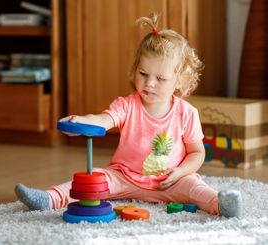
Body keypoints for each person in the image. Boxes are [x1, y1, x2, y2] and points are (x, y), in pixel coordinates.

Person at [15, 13, 242, 218]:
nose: (149, 83)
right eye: (143, 73)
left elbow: (197, 153)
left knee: (196, 187)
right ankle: (49, 198)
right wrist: (85, 120)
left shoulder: (186, 113)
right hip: (124, 177)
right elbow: (106, 119)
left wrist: (180, 172)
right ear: (135, 69)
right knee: (94, 178)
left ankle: (221, 205)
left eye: (160, 79)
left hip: (171, 182)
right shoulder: (127, 105)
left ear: (179, 81)